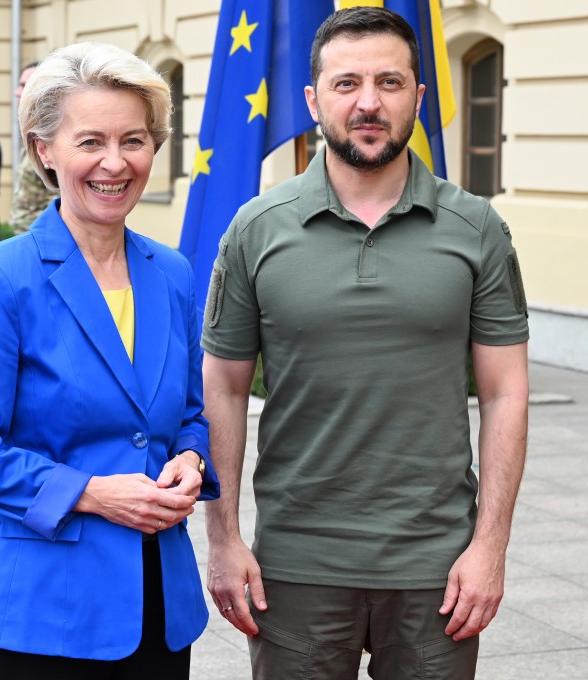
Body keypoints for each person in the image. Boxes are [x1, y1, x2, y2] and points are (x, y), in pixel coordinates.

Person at [202, 7, 530, 680]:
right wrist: (224, 538)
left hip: (437, 567)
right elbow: (223, 389)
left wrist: (491, 546)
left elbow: (505, 393)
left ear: (419, 95)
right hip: (296, 565)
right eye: (346, 83)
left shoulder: (476, 228)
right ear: (312, 99)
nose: (369, 103)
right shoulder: (255, 229)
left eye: (389, 81)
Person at [0, 42, 218, 679]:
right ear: (44, 151)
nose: (115, 162)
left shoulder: (172, 273)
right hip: (38, 618)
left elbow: (189, 414)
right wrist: (90, 493)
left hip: (158, 611)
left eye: (134, 140)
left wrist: (192, 460)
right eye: (90, 141)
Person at [9, 60, 55, 234]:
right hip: (27, 235)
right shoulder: (32, 132)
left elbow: (62, 196)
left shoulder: (52, 135)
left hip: (43, 236)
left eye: (24, 85)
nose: (17, 92)